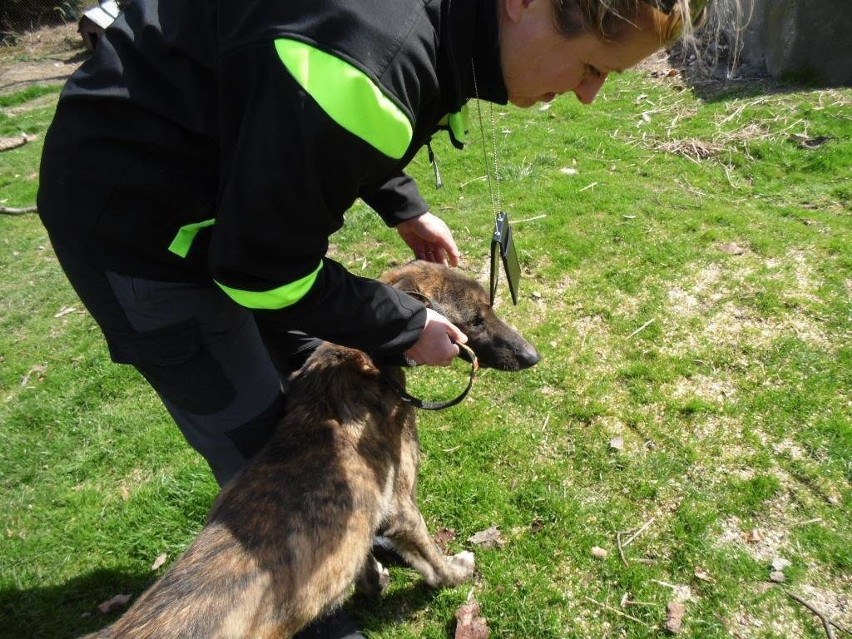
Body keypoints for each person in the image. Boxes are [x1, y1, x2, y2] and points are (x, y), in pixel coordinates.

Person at [37, 0, 716, 636]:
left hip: (223, 193)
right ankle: (306, 610)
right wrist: (400, 325)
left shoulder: (425, 27)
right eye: (594, 67)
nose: (590, 93)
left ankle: (361, 542)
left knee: (311, 402)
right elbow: (261, 266)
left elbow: (311, 100)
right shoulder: (371, 61)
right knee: (262, 452)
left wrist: (401, 201)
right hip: (136, 228)